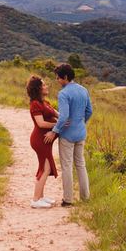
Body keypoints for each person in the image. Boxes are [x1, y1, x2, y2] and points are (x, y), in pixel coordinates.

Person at [45, 62, 92, 206]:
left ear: (65, 77)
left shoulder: (64, 93)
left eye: (58, 78)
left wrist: (54, 132)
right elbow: (89, 111)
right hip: (80, 133)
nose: (57, 81)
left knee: (66, 167)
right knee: (80, 165)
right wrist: (80, 123)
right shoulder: (83, 90)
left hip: (67, 135)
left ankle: (68, 200)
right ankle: (85, 197)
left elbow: (63, 116)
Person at [26, 74, 59, 208]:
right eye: (43, 85)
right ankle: (35, 200)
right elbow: (41, 124)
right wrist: (58, 125)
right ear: (37, 88)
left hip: (46, 141)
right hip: (40, 140)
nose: (46, 87)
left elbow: (58, 115)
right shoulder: (35, 104)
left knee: (45, 167)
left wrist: (64, 120)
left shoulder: (45, 103)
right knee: (45, 169)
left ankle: (41, 196)